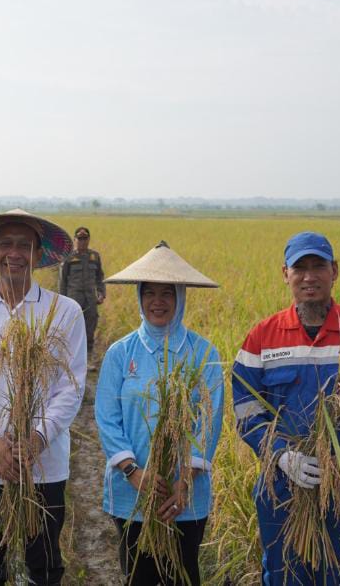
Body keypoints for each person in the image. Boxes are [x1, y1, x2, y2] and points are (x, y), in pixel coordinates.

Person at [232, 232, 340, 586]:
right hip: (282, 483)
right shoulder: (261, 337)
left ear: (334, 271)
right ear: (285, 274)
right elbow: (246, 412)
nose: (309, 276)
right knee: (284, 575)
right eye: (299, 267)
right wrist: (281, 456)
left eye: (318, 266)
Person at [0, 208, 87, 586]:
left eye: (24, 246)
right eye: (5, 244)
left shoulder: (65, 311)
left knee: (44, 566)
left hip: (44, 465)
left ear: (38, 255)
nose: (15, 253)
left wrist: (37, 439)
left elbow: (71, 388)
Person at [94, 241, 225, 585]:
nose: (157, 301)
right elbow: (107, 417)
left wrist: (183, 480)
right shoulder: (121, 353)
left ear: (181, 297)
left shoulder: (203, 353)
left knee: (182, 575)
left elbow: (208, 424)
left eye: (167, 293)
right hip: (131, 491)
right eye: (149, 292)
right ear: (138, 297)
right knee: (138, 575)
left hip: (186, 496)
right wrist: (133, 472)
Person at [59, 226, 106, 354]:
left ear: (89, 239)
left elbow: (99, 277)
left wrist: (101, 293)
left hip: (91, 299)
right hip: (73, 298)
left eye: (85, 238)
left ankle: (88, 357)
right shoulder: (68, 257)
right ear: (74, 240)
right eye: (79, 238)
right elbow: (63, 281)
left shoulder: (94, 256)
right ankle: (71, 357)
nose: (82, 241)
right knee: (73, 328)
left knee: (90, 328)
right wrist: (62, 301)